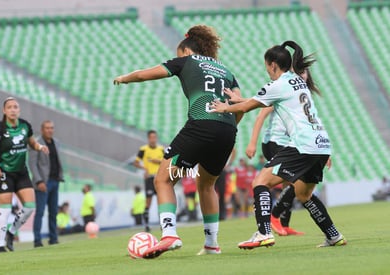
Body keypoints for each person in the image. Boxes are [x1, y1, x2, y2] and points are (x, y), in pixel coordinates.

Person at [113, 25, 242, 258]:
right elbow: (239, 104)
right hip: (227, 129)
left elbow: (145, 74)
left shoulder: (186, 62)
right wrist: (226, 129)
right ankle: (212, 243)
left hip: (200, 124)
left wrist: (124, 78)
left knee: (163, 180)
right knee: (207, 184)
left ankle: (170, 234)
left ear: (185, 50)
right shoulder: (226, 70)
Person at [210, 40, 346, 249]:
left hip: (302, 144)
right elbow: (258, 101)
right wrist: (239, 100)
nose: (267, 71)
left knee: (260, 182)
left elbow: (248, 107)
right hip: (321, 144)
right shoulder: (296, 81)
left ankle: (264, 233)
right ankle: (333, 235)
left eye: (267, 67)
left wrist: (224, 107)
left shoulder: (278, 84)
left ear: (273, 64)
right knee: (304, 194)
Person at [246, 67, 324, 236]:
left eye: (304, 72)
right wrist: (252, 143)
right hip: (275, 142)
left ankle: (283, 224)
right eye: (298, 72)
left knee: (290, 184)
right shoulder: (283, 89)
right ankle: (275, 217)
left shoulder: (302, 96)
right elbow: (260, 116)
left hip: (294, 144)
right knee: (295, 182)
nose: (301, 75)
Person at [0, 97, 49, 253]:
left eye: (15, 107)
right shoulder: (0, 128)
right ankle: (0, 246)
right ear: (4, 111)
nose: (13, 109)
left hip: (21, 172)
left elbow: (31, 143)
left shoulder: (25, 125)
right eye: (10, 107)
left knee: (29, 207)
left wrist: (40, 147)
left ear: (19, 110)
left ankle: (11, 232)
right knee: (5, 210)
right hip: (4, 173)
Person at [29, 120, 64, 247]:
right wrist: (39, 181)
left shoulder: (57, 143)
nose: (50, 130)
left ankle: (53, 238)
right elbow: (32, 164)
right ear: (42, 130)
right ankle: (37, 240)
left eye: (52, 128)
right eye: (47, 128)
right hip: (43, 182)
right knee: (40, 212)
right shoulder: (35, 144)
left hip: (55, 181)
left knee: (54, 211)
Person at [133, 130, 164, 232]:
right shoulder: (143, 149)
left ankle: (163, 223)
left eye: (154, 137)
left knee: (161, 201)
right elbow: (136, 162)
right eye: (151, 137)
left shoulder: (161, 149)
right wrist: (144, 169)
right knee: (148, 202)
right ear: (148, 138)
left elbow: (166, 161)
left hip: (159, 178)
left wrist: (158, 161)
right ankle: (146, 224)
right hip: (149, 178)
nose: (153, 139)